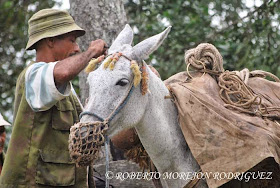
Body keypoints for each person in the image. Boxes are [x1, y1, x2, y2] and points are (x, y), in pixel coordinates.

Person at [0, 9, 107, 187]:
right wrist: (90, 53)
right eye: (71, 40)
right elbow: (63, 72)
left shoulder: (66, 91)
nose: (77, 48)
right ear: (50, 41)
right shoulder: (33, 75)